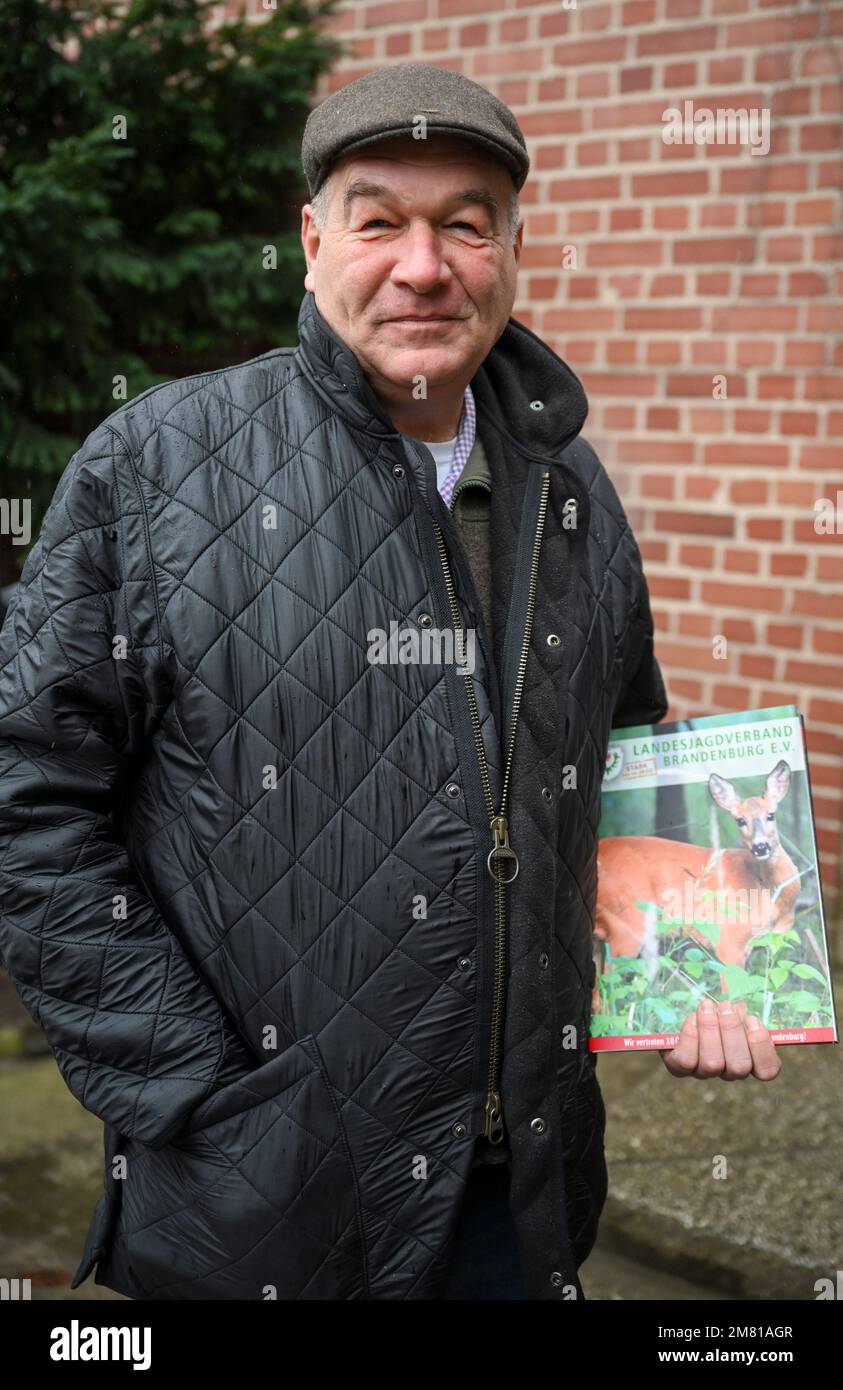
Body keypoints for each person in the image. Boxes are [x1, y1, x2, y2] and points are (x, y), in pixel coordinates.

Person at [0, 62, 781, 1304]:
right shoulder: (152, 473)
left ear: (513, 248)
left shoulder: (574, 495)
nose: (425, 265)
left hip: (520, 1201)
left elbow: (625, 766)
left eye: (465, 222)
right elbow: (27, 802)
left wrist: (698, 972)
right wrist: (199, 1094)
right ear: (312, 241)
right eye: (380, 222)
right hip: (263, 1210)